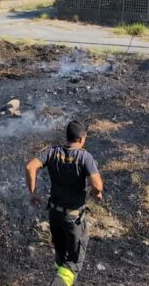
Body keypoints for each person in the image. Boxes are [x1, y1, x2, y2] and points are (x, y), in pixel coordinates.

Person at [26, 121, 103, 286]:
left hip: (54, 215)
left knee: (61, 257)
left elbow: (30, 167)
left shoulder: (52, 152)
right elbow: (97, 185)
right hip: (73, 218)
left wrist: (33, 193)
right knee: (72, 263)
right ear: (82, 139)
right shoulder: (85, 157)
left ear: (67, 136)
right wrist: (95, 193)